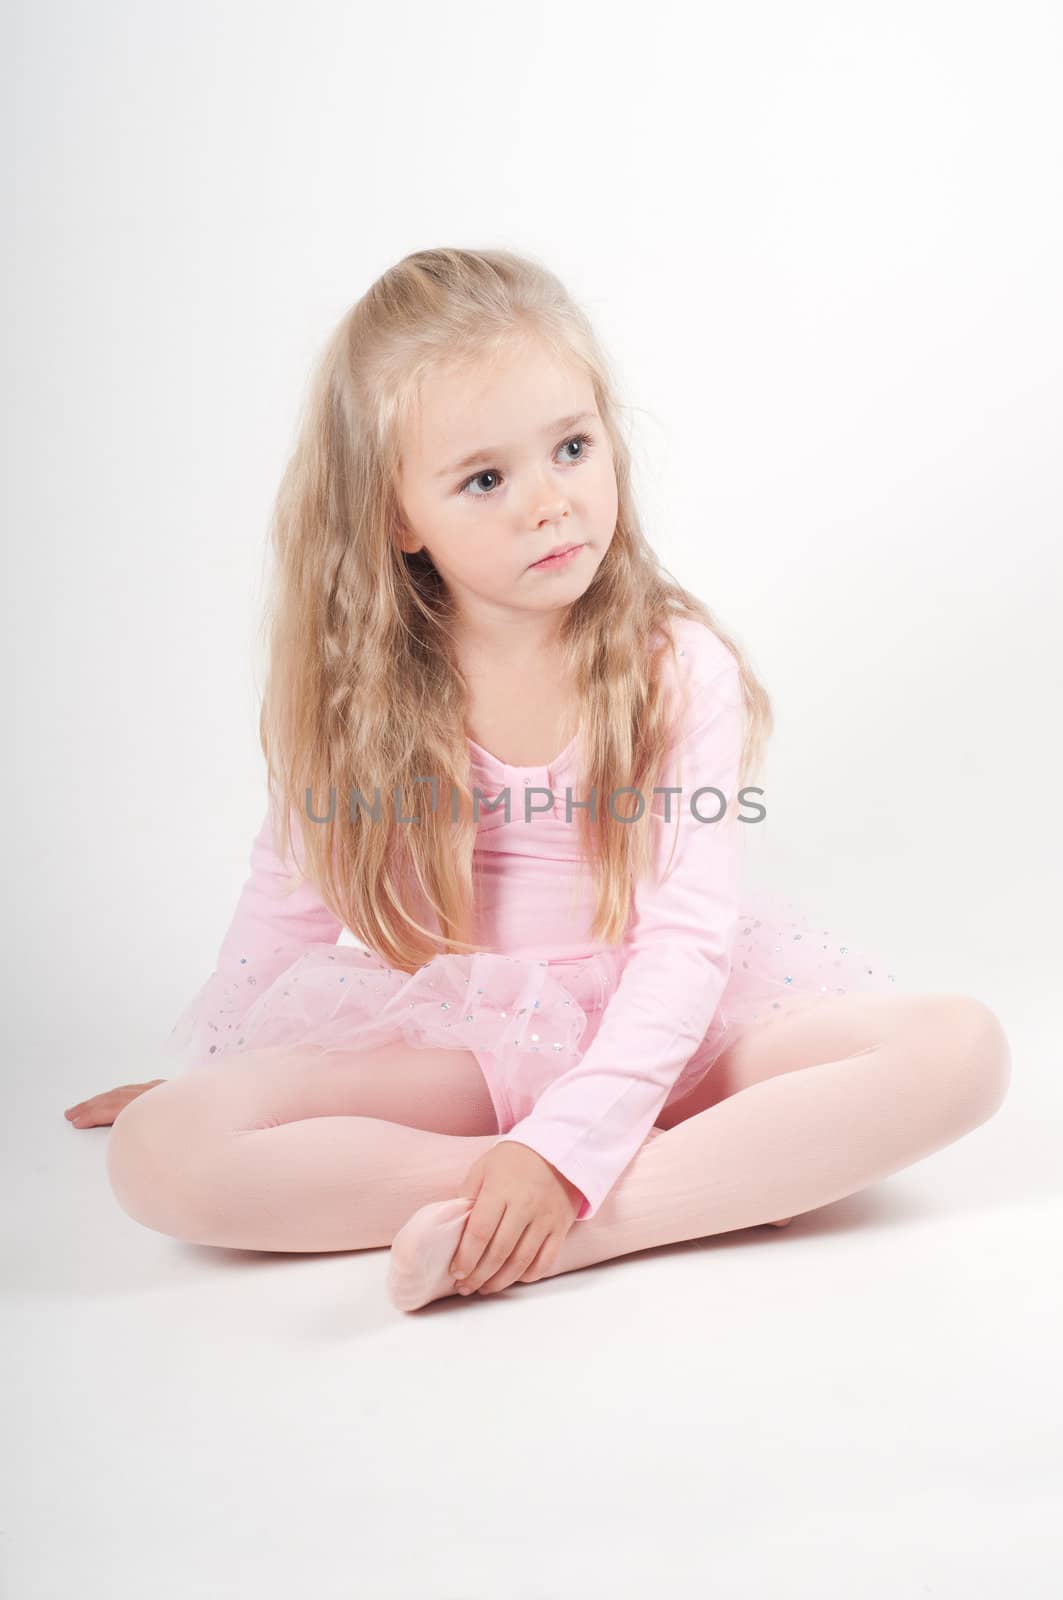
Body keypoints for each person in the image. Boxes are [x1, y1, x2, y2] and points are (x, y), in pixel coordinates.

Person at [67, 247, 1011, 1311]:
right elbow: (284, 903)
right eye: (484, 478)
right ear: (397, 518)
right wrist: (216, 1074)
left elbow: (686, 942)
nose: (549, 503)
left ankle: (562, 1225)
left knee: (959, 1048)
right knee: (162, 1151)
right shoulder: (360, 692)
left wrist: (562, 1153)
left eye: (571, 447)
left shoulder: (671, 665)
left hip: (668, 1021)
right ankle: (685, 1176)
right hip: (467, 1044)